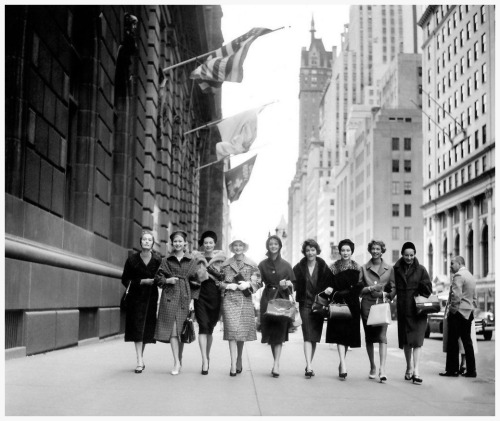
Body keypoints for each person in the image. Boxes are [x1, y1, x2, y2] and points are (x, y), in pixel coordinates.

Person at [154, 230, 202, 375]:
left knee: (181, 330)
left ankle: (179, 359)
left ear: (185, 243)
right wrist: (167, 280)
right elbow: (158, 278)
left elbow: (196, 282)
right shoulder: (166, 260)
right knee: (173, 331)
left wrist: (193, 300)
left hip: (185, 297)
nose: (178, 243)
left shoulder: (192, 261)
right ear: (171, 243)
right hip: (169, 297)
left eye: (180, 241)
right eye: (175, 241)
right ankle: (176, 362)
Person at [385, 241, 432, 384]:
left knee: (417, 342)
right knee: (406, 341)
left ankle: (416, 371)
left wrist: (421, 288)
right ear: (402, 255)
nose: (409, 258)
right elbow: (392, 288)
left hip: (418, 311)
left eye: (412, 255)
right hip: (404, 309)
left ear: (415, 255)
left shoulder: (422, 270)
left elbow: (429, 289)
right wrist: (386, 296)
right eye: (406, 255)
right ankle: (409, 367)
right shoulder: (396, 269)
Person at [121, 230, 162, 373]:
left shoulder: (157, 260)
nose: (146, 242)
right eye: (144, 239)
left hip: (151, 298)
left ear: (152, 243)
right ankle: (139, 360)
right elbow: (124, 279)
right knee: (138, 328)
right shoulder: (132, 259)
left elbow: (161, 278)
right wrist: (141, 281)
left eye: (149, 240)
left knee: (145, 330)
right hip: (136, 298)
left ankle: (141, 357)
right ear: (140, 242)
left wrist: (159, 281)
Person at [292, 239, 334, 378]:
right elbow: (293, 283)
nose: (310, 252)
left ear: (317, 251)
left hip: (319, 304)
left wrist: (329, 288)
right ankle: (309, 366)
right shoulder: (298, 267)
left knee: (314, 337)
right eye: (308, 250)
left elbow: (331, 282)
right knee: (307, 335)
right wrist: (288, 285)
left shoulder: (323, 266)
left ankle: (309, 363)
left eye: (312, 250)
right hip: (305, 304)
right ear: (304, 252)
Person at [220, 238, 262, 376]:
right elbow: (218, 282)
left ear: (244, 247)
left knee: (241, 332)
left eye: (240, 245)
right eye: (235, 245)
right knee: (232, 331)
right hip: (230, 299)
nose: (238, 248)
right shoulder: (225, 264)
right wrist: (227, 285)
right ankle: (232, 364)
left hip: (245, 299)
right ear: (232, 248)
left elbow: (259, 281)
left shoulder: (251, 264)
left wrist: (249, 284)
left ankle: (239, 358)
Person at [324, 239, 363, 380]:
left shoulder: (358, 268)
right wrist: (336, 293)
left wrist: (351, 292)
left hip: (352, 305)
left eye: (348, 250)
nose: (345, 253)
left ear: (352, 251)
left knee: (347, 336)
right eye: (343, 250)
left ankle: (342, 363)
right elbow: (327, 285)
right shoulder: (333, 267)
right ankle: (344, 364)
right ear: (339, 251)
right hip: (338, 303)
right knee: (340, 334)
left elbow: (360, 287)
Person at [258, 235, 295, 378]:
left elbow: (293, 285)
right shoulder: (262, 264)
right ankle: (275, 361)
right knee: (271, 334)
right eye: (270, 244)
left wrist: (288, 284)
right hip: (267, 299)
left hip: (282, 300)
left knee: (279, 333)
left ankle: (276, 364)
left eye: (276, 244)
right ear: (268, 246)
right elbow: (257, 282)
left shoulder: (286, 265)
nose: (273, 246)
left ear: (280, 246)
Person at [359, 240, 394, 382]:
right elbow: (359, 290)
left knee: (382, 337)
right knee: (369, 337)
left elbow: (393, 288)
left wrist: (385, 294)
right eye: (373, 248)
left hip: (382, 304)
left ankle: (382, 369)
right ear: (370, 250)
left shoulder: (389, 268)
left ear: (382, 250)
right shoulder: (363, 268)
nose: (375, 251)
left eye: (378, 248)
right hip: (367, 304)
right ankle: (373, 366)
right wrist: (370, 289)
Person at [193, 231, 226, 375]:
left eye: (210, 243)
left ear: (214, 244)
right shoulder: (196, 258)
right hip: (200, 294)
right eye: (205, 242)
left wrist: (218, 280)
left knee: (210, 327)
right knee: (202, 326)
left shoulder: (221, 259)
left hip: (215, 295)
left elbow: (225, 277)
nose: (208, 245)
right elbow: (191, 276)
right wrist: (199, 275)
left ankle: (207, 355)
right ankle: (204, 360)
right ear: (203, 244)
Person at [439, 256, 477, 378]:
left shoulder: (458, 276)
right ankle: (471, 371)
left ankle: (452, 370)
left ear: (459, 263)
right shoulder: (470, 275)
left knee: (452, 341)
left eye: (452, 263)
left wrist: (452, 310)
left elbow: (456, 295)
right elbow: (474, 297)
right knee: (467, 341)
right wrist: (471, 308)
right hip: (468, 311)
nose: (450, 266)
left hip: (458, 312)